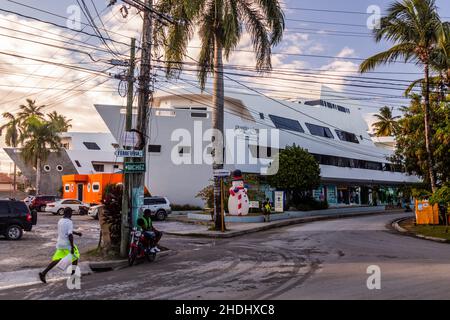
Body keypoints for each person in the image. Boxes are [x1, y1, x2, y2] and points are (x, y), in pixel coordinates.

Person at [39, 207, 82, 283]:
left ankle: (43, 273)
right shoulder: (69, 222)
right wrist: (72, 247)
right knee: (75, 256)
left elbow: (67, 231)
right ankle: (73, 275)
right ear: (69, 213)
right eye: (71, 212)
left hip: (60, 243)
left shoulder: (60, 221)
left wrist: (77, 233)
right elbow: (69, 235)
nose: (72, 214)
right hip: (67, 244)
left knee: (57, 259)